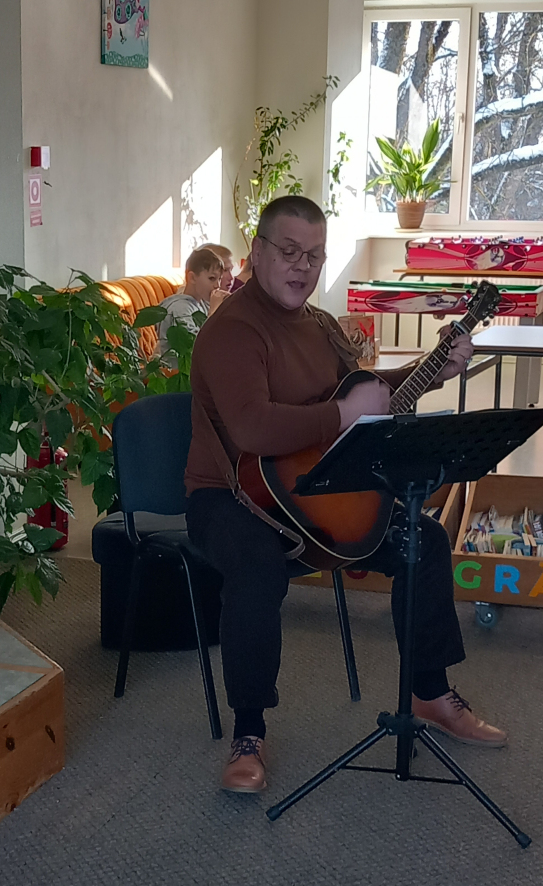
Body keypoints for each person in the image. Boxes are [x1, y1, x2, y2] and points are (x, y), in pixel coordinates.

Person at [184, 194, 507, 794]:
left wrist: (432, 369)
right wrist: (341, 415)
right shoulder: (231, 331)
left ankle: (430, 692)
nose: (302, 266)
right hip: (229, 495)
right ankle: (248, 731)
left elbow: (363, 393)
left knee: (424, 540)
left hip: (313, 489)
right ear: (257, 251)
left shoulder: (321, 326)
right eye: (289, 251)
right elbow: (253, 428)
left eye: (314, 255)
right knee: (257, 566)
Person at [155, 247, 227, 364]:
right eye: (212, 278)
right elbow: (198, 347)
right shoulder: (179, 309)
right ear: (192, 278)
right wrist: (214, 312)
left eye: (219, 279)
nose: (217, 285)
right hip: (178, 372)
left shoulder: (202, 303)